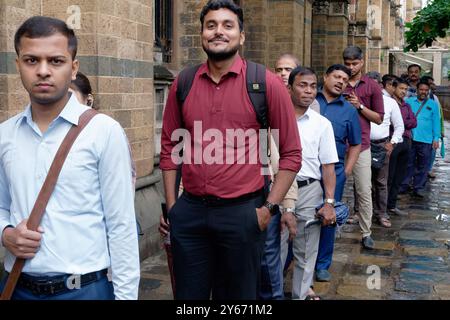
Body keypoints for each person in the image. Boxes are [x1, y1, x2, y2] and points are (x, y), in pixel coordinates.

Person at [159, 0, 302, 300]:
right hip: (191, 212)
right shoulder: (183, 83)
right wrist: (173, 207)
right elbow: (170, 146)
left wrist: (269, 209)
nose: (218, 32)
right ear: (201, 34)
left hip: (243, 214)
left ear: (242, 35)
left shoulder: (264, 83)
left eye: (227, 25)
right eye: (211, 25)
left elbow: (291, 154)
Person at [0, 16, 139, 300]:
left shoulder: (104, 132)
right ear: (18, 65)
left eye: (55, 61)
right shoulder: (5, 135)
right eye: (31, 60)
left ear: (73, 68)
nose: (42, 71)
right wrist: (6, 233)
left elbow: (121, 225)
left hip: (85, 290)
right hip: (18, 288)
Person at [287, 66, 338, 300]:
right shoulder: (274, 120)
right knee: (273, 250)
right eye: (302, 85)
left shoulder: (322, 124)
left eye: (312, 86)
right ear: (289, 88)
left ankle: (299, 295)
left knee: (306, 252)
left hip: (309, 190)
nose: (308, 91)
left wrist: (329, 202)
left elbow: (328, 166)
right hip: (279, 190)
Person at [315, 64, 362, 282]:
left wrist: (348, 169)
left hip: (334, 171)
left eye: (344, 79)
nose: (341, 81)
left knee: (328, 216)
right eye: (336, 76)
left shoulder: (349, 110)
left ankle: (322, 264)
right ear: (325, 77)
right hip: (304, 168)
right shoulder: (310, 101)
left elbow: (355, 144)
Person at [342, 46, 384, 250]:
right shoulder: (338, 83)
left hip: (361, 146)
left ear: (362, 62)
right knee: (331, 188)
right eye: (347, 64)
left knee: (364, 190)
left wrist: (359, 106)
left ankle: (366, 232)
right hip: (337, 144)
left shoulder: (372, 87)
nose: (351, 68)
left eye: (354, 64)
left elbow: (378, 118)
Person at [366, 72, 404, 228]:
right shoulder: (361, 102)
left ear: (380, 85)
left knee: (381, 181)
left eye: (376, 84)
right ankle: (359, 212)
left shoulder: (390, 103)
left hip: (382, 145)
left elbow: (399, 126)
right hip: (364, 145)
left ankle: (381, 213)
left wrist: (392, 143)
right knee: (362, 182)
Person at [400, 80, 440, 198]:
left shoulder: (433, 104)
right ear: (417, 90)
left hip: (426, 140)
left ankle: (418, 187)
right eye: (421, 89)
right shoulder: (408, 102)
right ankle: (404, 185)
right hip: (410, 138)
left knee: (423, 165)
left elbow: (436, 122)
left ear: (428, 91)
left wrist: (436, 138)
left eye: (426, 90)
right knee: (408, 163)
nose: (423, 92)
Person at [387, 77, 417, 216]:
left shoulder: (406, 105)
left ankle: (392, 205)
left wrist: (401, 122)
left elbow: (413, 122)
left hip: (406, 141)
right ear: (394, 88)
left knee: (400, 175)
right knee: (389, 175)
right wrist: (403, 122)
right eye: (401, 88)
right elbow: (393, 123)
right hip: (393, 141)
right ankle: (383, 206)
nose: (404, 91)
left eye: (406, 89)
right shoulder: (390, 104)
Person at [420, 75, 445, 178]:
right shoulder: (412, 98)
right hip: (418, 131)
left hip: (431, 131)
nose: (433, 86)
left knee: (432, 151)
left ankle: (428, 170)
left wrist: (441, 130)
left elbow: (439, 115)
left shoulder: (434, 98)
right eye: (430, 83)